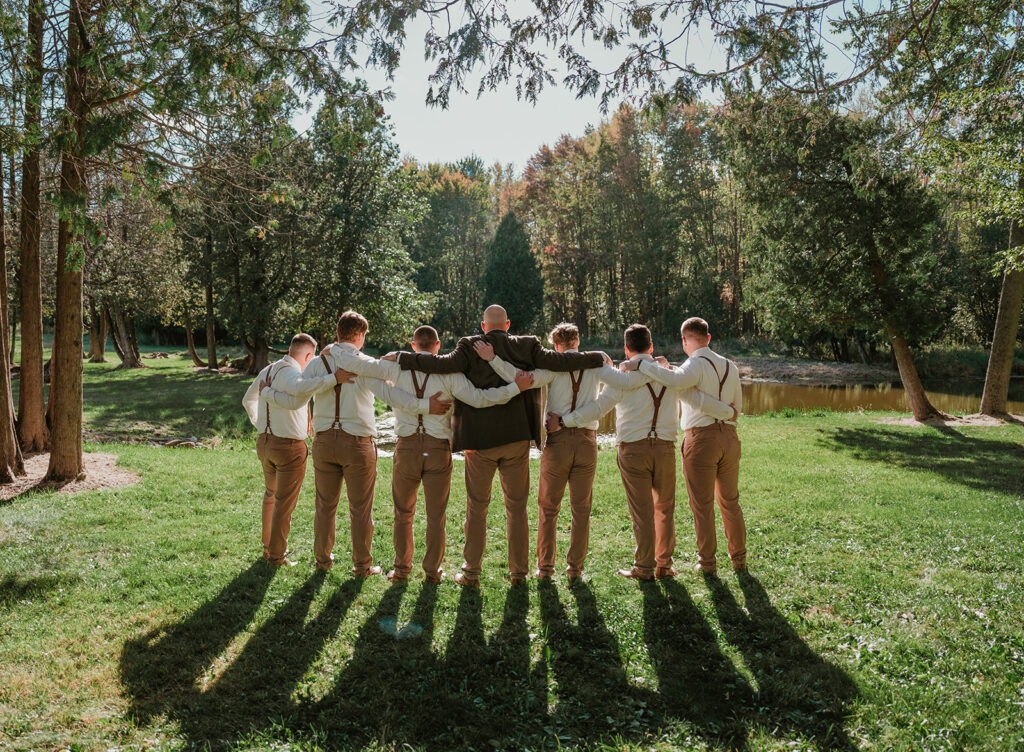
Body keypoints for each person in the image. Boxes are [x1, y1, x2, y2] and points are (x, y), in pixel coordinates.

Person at [394, 305, 605, 587]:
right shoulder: (528, 345)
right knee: (517, 508)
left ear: (484, 326)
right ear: (507, 325)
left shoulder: (469, 346)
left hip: (479, 442)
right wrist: (597, 357)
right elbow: (561, 361)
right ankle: (519, 573)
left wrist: (402, 358)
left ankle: (471, 572)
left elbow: (439, 364)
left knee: (477, 507)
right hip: (516, 438)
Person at [330, 325, 537, 583]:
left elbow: (365, 372)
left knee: (403, 513)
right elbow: (481, 399)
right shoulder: (449, 373)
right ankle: (432, 572)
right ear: (438, 346)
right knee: (436, 515)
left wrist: (337, 351)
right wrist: (515, 388)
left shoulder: (395, 367)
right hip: (438, 448)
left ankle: (402, 570)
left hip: (406, 447)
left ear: (414, 345)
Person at [265, 311, 451, 575]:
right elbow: (391, 395)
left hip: (325, 441)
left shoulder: (317, 364)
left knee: (325, 506)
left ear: (337, 334)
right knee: (360, 508)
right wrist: (425, 405)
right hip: (357, 444)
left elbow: (300, 394)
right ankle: (362, 565)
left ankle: (323, 561)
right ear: (361, 336)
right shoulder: (364, 365)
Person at [549, 324, 735, 582]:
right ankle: (664, 564)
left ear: (626, 349)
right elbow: (695, 397)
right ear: (651, 346)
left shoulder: (621, 378)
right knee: (665, 508)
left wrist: (565, 420)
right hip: (665, 448)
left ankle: (644, 567)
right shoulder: (669, 373)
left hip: (633, 449)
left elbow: (599, 408)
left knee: (642, 511)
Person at [473, 322, 646, 582]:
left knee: (548, 508)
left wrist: (493, 358)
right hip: (587, 442)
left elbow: (518, 377)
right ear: (578, 342)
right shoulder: (596, 365)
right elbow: (626, 383)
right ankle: (575, 569)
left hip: (558, 441)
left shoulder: (552, 367)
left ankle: (545, 569)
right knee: (581, 508)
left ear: (556, 345)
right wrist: (638, 364)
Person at [622, 316, 746, 576]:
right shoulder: (730, 366)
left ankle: (708, 563)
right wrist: (725, 412)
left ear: (684, 340)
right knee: (730, 502)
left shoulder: (693, 365)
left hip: (702, 440)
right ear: (708, 338)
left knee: (702, 505)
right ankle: (739, 558)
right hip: (730, 440)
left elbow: (679, 383)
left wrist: (642, 366)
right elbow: (736, 409)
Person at [242, 333, 344, 566]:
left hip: (265, 443)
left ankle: (268, 547)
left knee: (271, 495)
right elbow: (299, 396)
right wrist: (333, 379)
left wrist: (260, 424)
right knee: (283, 502)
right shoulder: (292, 373)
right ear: (308, 356)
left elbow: (247, 399)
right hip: (288, 446)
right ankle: (277, 556)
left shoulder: (267, 370)